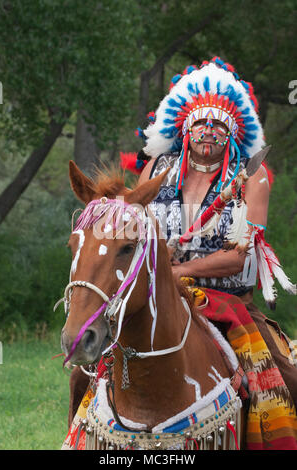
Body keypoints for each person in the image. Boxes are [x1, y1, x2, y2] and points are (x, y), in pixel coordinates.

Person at [127, 57, 297, 448]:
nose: (208, 132)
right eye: (200, 124)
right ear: (184, 128)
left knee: (278, 380)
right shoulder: (155, 169)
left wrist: (176, 272)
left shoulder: (250, 179)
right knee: (93, 368)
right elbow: (136, 233)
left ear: (233, 133)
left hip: (227, 302)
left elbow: (239, 257)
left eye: (218, 125)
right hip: (159, 299)